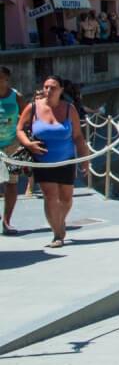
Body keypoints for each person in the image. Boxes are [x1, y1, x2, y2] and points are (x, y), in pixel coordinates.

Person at [16, 75, 91, 248]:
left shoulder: (69, 109)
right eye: (46, 87)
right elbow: (20, 129)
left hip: (66, 160)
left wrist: (84, 160)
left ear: (61, 90)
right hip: (43, 160)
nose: (49, 90)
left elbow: (78, 137)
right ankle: (57, 234)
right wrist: (28, 143)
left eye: (53, 87)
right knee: (50, 196)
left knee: (66, 198)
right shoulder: (33, 107)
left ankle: (59, 221)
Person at [0, 67, 26, 235]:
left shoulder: (16, 96)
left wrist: (22, 136)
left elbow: (26, 116)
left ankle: (7, 221)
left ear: (7, 78)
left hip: (13, 146)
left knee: (12, 182)